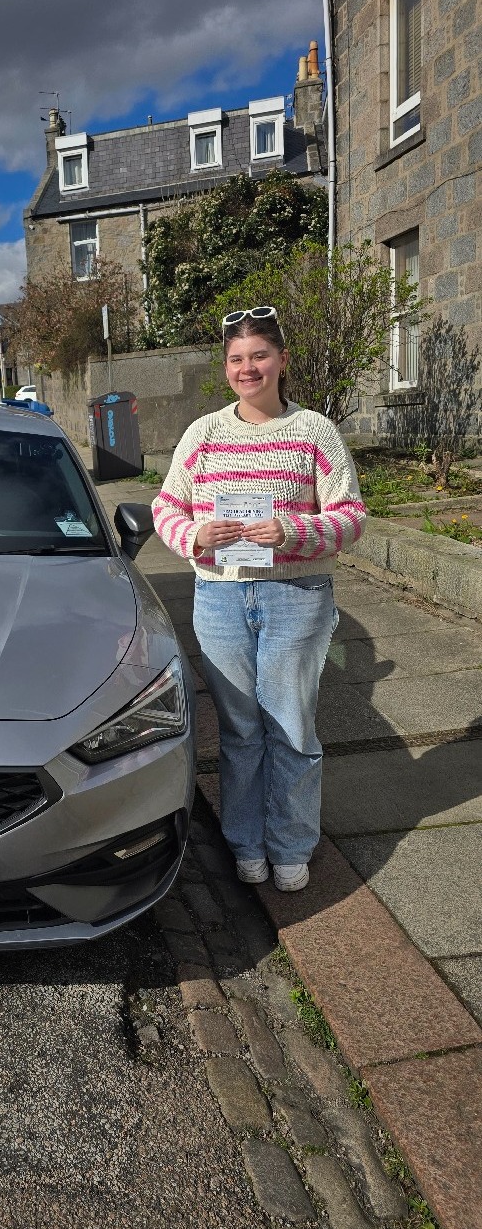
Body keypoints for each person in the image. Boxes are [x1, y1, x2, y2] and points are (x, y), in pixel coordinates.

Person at [151, 306, 366, 891]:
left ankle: (291, 842)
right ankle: (245, 841)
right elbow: (167, 507)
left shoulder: (314, 432)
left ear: (281, 361)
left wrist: (294, 530)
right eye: (237, 359)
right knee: (240, 731)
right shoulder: (204, 434)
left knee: (292, 728)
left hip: (296, 595)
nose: (249, 369)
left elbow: (350, 517)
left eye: (259, 356)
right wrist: (195, 535)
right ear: (226, 368)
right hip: (220, 599)